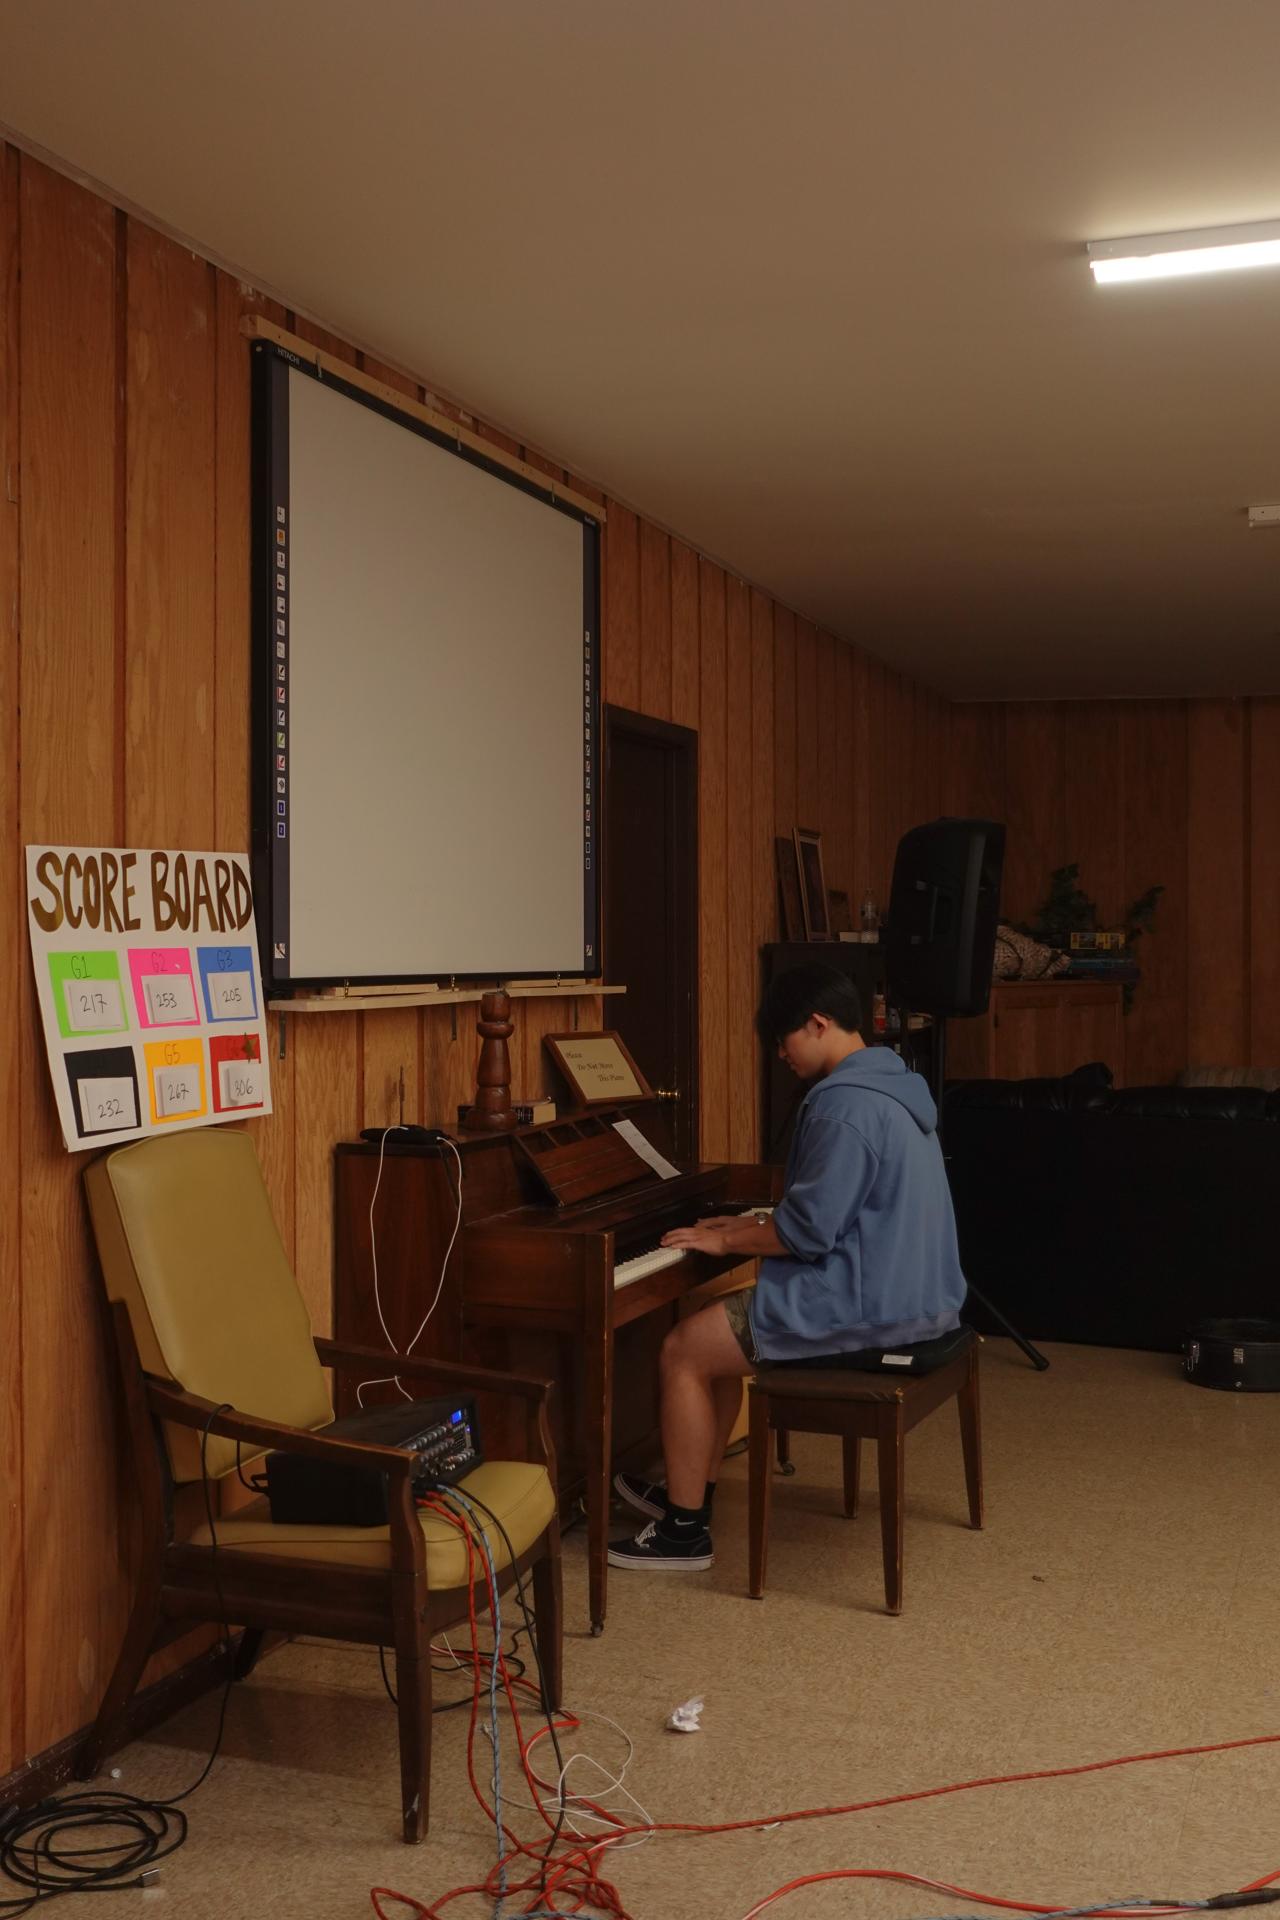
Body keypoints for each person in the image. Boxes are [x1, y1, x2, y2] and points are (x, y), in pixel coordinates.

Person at [607, 961, 966, 1572]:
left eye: (784, 1039)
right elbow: (838, 1208)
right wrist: (740, 1228)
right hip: (919, 1296)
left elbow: (808, 1231)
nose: (780, 1054)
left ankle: (684, 1533)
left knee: (684, 1350)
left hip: (872, 1310)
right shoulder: (893, 1084)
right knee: (713, 1328)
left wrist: (729, 1241)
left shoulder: (842, 1105)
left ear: (819, 1023)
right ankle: (689, 1493)